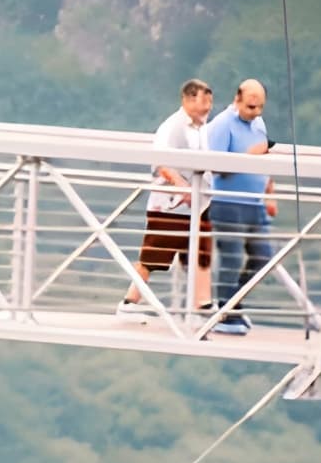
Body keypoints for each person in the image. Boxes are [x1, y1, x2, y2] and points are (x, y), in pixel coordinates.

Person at [118, 78, 215, 320]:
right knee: (154, 256)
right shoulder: (172, 127)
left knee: (200, 254)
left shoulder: (203, 128)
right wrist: (183, 188)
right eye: (203, 100)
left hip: (199, 204)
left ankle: (201, 306)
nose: (207, 106)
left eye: (209, 101)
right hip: (170, 205)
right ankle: (129, 303)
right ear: (188, 99)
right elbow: (162, 163)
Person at [202, 78, 277, 335]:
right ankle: (225, 312)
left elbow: (264, 155)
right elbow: (218, 167)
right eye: (250, 107)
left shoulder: (259, 123)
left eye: (260, 107)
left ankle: (234, 304)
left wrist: (270, 192)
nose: (255, 113)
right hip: (228, 202)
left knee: (264, 258)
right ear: (237, 100)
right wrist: (250, 157)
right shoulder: (222, 124)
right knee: (231, 260)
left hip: (254, 203)